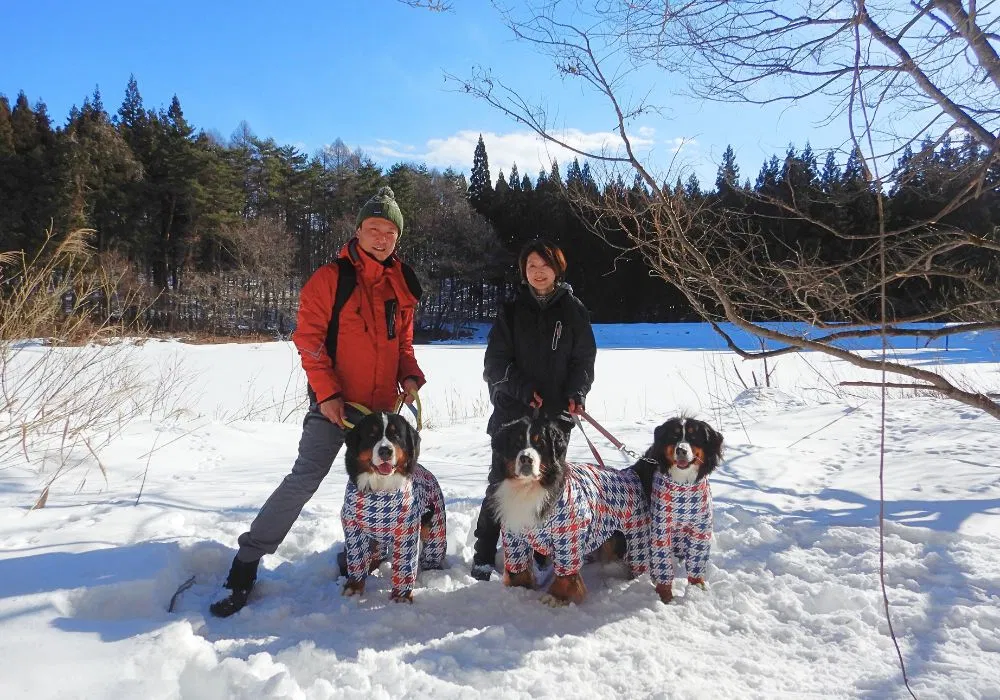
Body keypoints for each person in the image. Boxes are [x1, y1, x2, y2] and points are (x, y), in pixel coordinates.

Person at [210, 186, 425, 617]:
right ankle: (246, 565)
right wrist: (326, 394)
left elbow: (403, 345)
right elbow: (308, 341)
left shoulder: (400, 284)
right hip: (336, 408)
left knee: (384, 485)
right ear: (359, 230)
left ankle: (364, 556)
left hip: (382, 415)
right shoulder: (331, 278)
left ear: (397, 237)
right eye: (373, 228)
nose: (381, 238)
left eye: (389, 231)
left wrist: (410, 377)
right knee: (304, 478)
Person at [471, 239, 597, 580]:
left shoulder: (574, 310)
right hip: (513, 413)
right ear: (524, 272)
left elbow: (583, 361)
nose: (538, 273)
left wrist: (578, 393)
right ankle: (484, 550)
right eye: (531, 267)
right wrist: (523, 388)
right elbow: (494, 364)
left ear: (557, 269)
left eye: (545, 267)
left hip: (556, 416)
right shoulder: (511, 309)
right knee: (504, 484)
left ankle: (541, 551)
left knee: (548, 485)